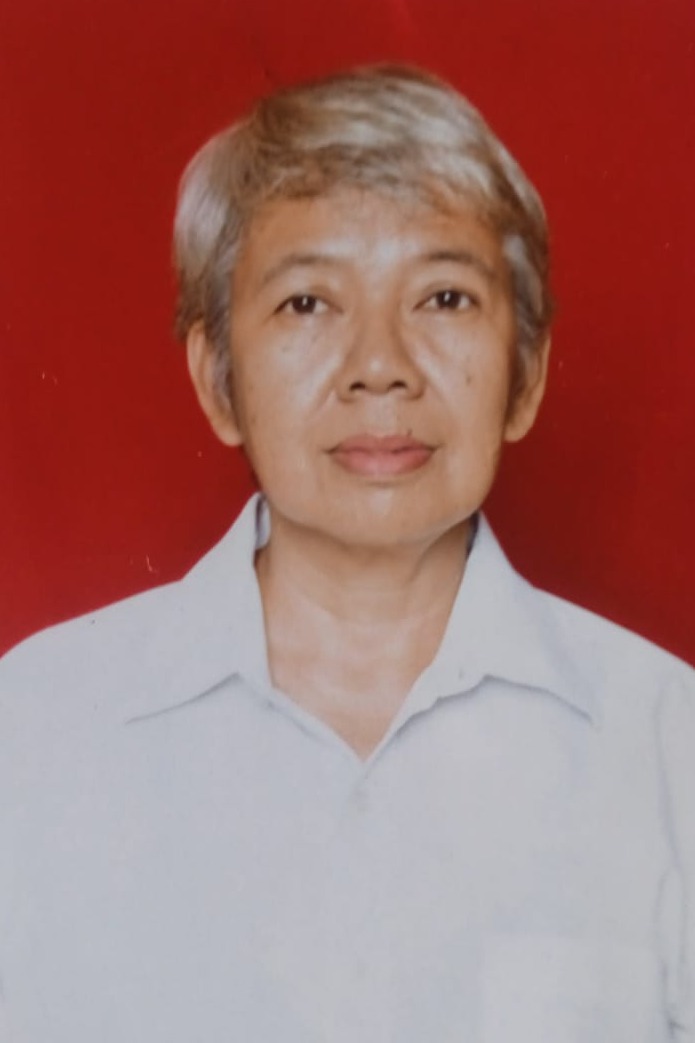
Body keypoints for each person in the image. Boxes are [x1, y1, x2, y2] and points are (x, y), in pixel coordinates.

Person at [0, 64, 693, 1043]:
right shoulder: (34, 731)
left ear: (526, 373)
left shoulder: (666, 747)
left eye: (443, 297)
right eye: (307, 303)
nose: (379, 366)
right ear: (217, 379)